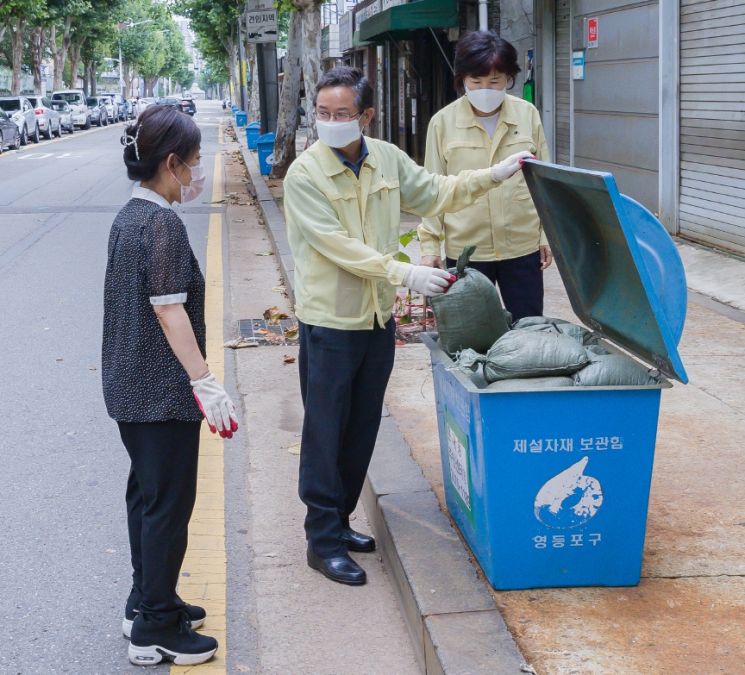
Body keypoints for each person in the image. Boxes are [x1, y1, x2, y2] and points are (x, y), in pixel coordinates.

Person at [283, 66, 531, 586]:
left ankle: (341, 520)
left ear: (366, 116)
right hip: (330, 323)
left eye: (342, 114)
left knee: (362, 427)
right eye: (323, 114)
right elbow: (338, 247)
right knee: (326, 433)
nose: (331, 123)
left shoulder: (387, 160)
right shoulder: (305, 175)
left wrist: (495, 174)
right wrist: (408, 272)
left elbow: (435, 191)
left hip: (375, 318)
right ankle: (321, 540)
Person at [103, 105, 238, 666]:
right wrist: (205, 382)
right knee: (168, 505)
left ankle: (148, 599)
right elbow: (168, 311)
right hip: (159, 393)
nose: (200, 172)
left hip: (129, 388)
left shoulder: (130, 215)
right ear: (173, 163)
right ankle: (155, 629)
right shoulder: (159, 224)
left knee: (148, 497)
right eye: (197, 161)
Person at [419, 31, 552, 321]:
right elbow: (432, 190)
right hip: (467, 251)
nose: (485, 89)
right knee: (470, 333)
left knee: (529, 329)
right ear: (462, 80)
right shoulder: (442, 123)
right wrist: (429, 247)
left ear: (509, 79)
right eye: (476, 82)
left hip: (522, 246)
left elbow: (546, 182)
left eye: (495, 81)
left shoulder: (528, 115)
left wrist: (546, 236)